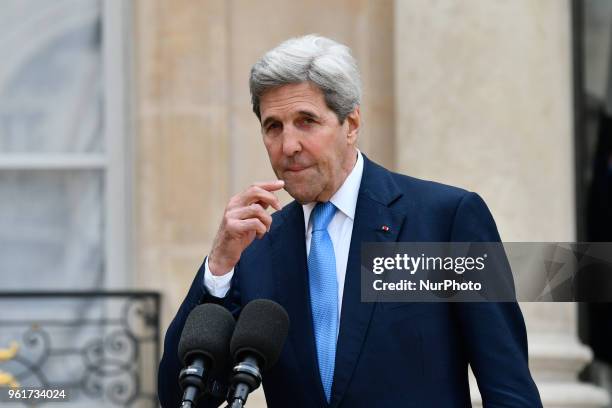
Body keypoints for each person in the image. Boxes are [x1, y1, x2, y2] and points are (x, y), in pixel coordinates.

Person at [158, 34, 542, 407]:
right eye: (273, 126)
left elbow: (509, 389)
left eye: (306, 121)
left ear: (351, 123)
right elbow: (181, 398)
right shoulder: (256, 246)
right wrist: (220, 266)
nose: (288, 145)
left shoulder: (445, 220)